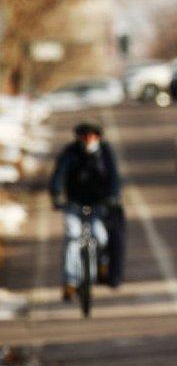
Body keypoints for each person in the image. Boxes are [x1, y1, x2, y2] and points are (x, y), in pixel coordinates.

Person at [50, 123, 122, 301]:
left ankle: (103, 266)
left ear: (98, 137)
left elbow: (114, 177)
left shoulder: (105, 152)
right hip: (73, 205)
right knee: (73, 237)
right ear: (80, 138)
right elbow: (59, 175)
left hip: (98, 205)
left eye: (92, 137)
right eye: (85, 137)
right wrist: (57, 194)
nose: (89, 140)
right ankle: (70, 283)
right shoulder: (70, 152)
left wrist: (113, 196)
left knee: (101, 236)